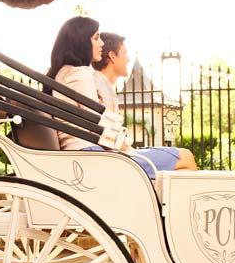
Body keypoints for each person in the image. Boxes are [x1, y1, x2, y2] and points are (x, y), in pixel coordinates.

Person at [46, 17, 198, 178]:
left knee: (180, 165)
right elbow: (97, 124)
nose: (101, 44)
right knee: (186, 158)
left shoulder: (64, 72)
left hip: (89, 152)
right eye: (96, 37)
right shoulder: (80, 74)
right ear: (81, 41)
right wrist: (128, 149)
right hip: (92, 154)